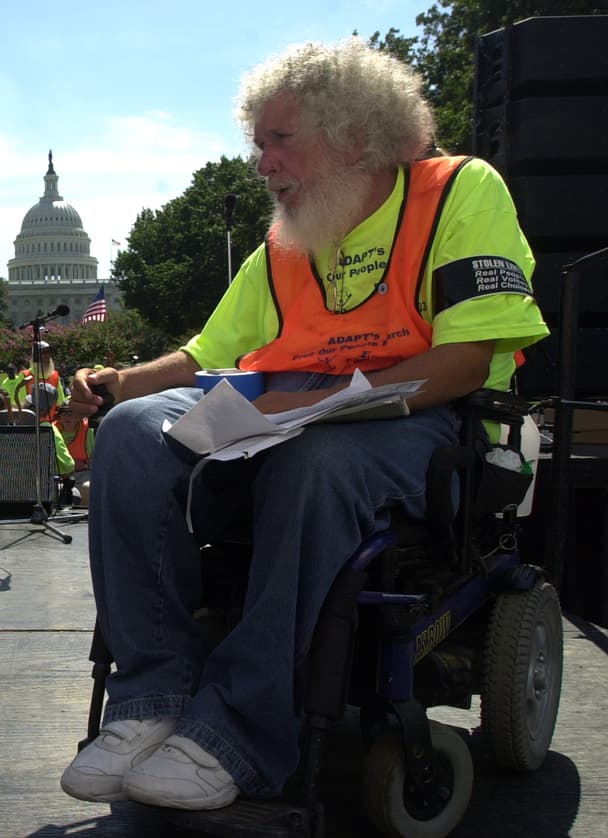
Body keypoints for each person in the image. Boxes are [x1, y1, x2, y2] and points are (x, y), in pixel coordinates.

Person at [60, 40, 548, 811]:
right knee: (130, 431)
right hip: (291, 414)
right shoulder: (287, 238)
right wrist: (121, 382)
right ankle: (151, 700)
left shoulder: (458, 192)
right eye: (259, 144)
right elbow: (204, 356)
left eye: (280, 140)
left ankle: (240, 735)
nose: (262, 164)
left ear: (355, 134)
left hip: (420, 418)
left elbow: (461, 363)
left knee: (316, 458)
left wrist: (318, 407)